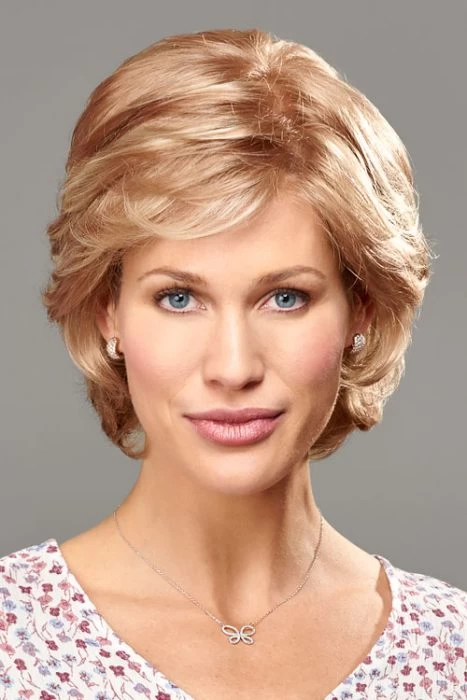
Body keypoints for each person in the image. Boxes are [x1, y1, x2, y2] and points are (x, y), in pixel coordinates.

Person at [1, 27, 466, 700]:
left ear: (360, 309)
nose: (232, 366)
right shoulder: (14, 638)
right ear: (108, 312)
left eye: (285, 297)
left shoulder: (451, 650)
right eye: (178, 297)